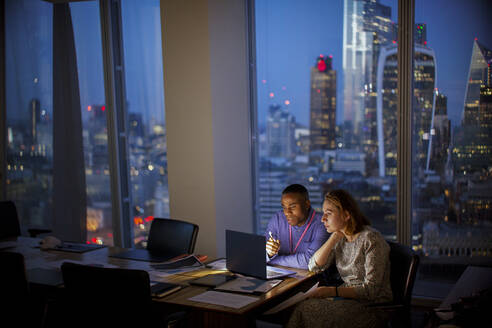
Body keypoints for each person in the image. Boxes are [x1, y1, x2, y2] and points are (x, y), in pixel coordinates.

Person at [287, 189, 392, 328]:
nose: (323, 218)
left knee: (305, 309)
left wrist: (331, 291)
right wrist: (334, 237)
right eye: (323, 213)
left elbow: (371, 290)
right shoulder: (340, 238)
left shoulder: (371, 239)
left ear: (346, 215)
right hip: (346, 300)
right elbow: (314, 266)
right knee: (301, 306)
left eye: (328, 214)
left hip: (372, 307)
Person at [265, 184, 329, 269]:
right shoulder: (277, 219)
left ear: (307, 204)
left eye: (292, 207)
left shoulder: (323, 223)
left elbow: (310, 262)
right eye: (284, 207)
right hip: (280, 276)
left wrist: (272, 259)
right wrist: (269, 254)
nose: (287, 212)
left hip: (310, 278)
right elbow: (261, 254)